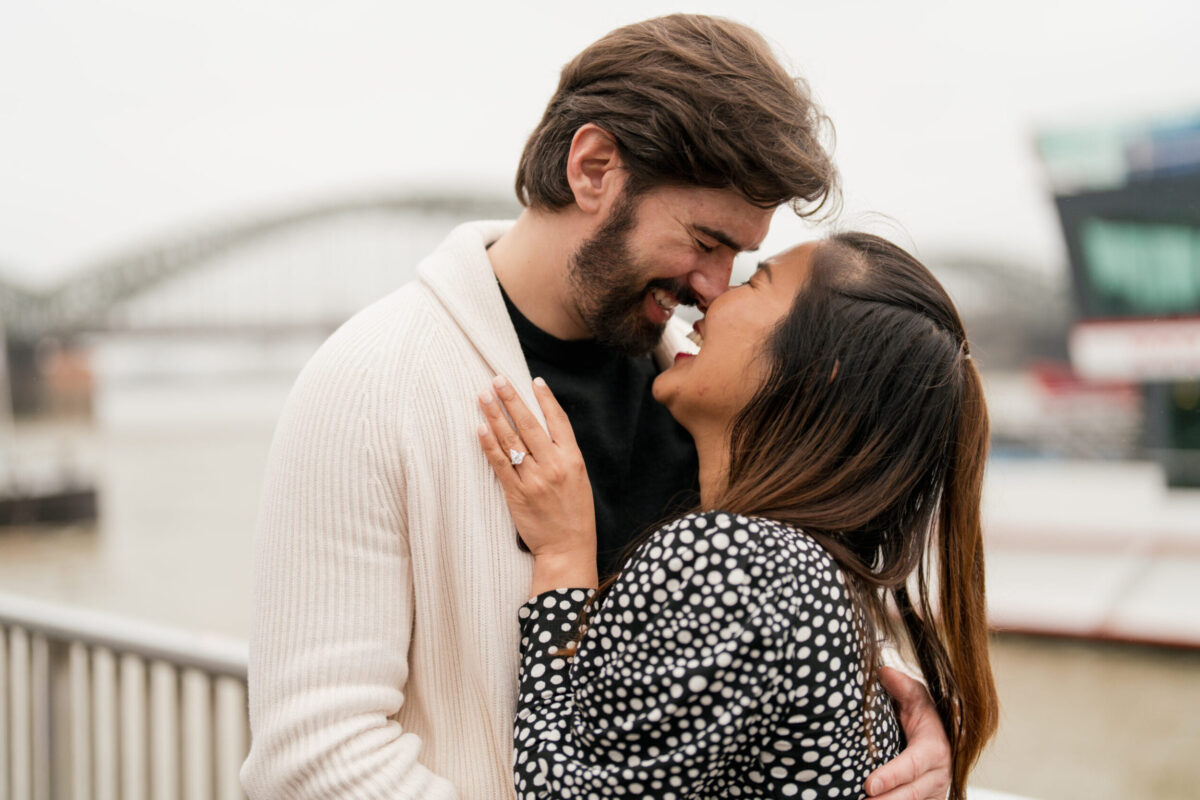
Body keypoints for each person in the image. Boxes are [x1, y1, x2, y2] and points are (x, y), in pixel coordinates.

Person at [241, 15, 952, 800]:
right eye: (707, 240)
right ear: (594, 168)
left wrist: (889, 738)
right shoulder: (370, 384)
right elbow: (312, 758)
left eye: (740, 261)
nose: (715, 286)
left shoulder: (709, 396)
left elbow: (765, 638)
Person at [478, 233, 1000, 800]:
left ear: (820, 366)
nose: (713, 297)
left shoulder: (734, 559)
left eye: (756, 281)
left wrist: (563, 558)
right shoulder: (810, 570)